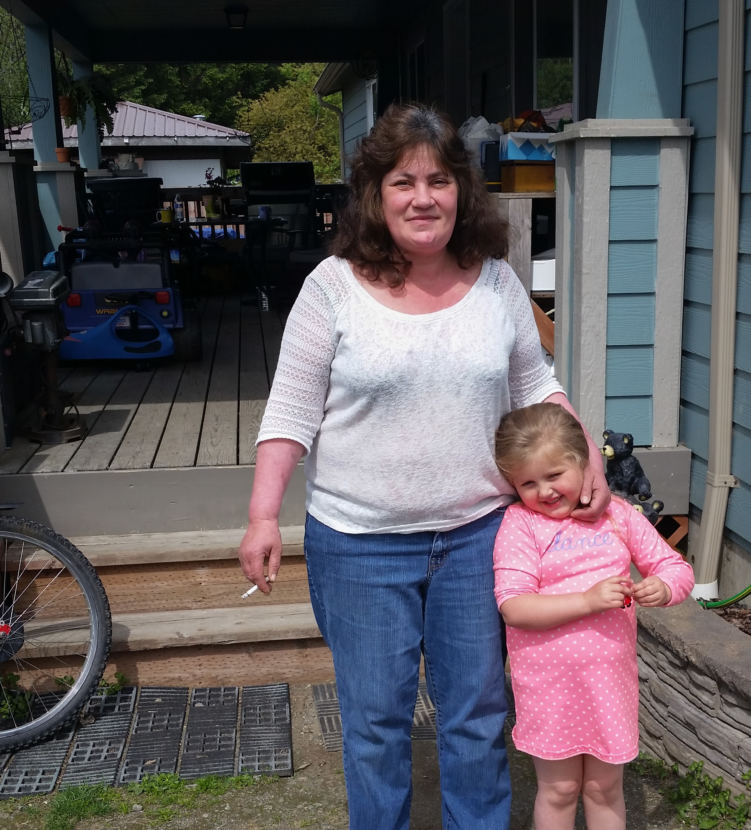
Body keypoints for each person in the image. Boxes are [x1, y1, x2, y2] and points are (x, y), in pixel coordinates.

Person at [238, 102, 610, 830]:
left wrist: (583, 449)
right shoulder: (332, 287)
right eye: (403, 181)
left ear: (460, 192)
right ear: (375, 195)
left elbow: (534, 384)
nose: (422, 197)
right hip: (357, 546)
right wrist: (261, 515)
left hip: (478, 539)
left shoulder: (495, 280)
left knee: (475, 716)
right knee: (376, 725)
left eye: (438, 180)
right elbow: (289, 414)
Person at [493, 402, 695, 830]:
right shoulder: (521, 525)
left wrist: (662, 587)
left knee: (604, 788)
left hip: (608, 683)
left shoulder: (618, 517)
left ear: (584, 465)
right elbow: (514, 606)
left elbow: (676, 569)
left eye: (554, 475)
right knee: (560, 790)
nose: (544, 491)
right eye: (528, 482)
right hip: (548, 687)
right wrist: (586, 601)